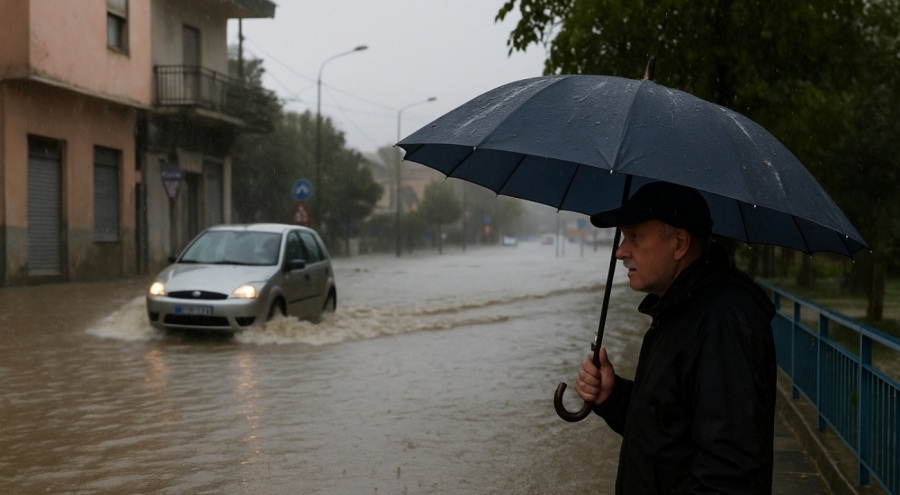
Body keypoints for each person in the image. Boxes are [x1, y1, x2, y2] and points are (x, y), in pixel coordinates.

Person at [576, 181, 777, 494]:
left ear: (679, 243)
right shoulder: (680, 310)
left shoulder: (722, 323)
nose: (620, 251)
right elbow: (669, 428)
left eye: (635, 237)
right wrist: (612, 396)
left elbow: (728, 475)